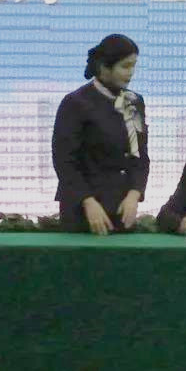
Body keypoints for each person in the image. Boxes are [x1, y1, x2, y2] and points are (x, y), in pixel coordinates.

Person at [52, 34, 149, 235]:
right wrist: (87, 201)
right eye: (125, 66)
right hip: (83, 212)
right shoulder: (76, 103)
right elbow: (64, 161)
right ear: (105, 68)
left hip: (121, 210)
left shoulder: (134, 102)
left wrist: (134, 194)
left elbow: (140, 155)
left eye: (133, 66)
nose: (131, 73)